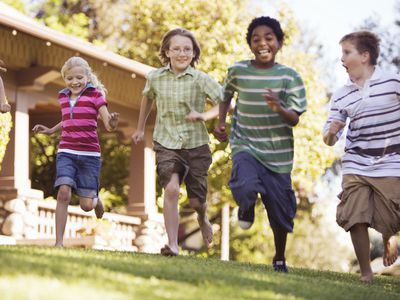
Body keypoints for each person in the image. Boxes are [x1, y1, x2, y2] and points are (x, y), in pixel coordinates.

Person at [214, 16, 307, 272]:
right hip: (245, 143)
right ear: (250, 44)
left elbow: (295, 119)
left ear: (279, 43)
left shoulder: (290, 77)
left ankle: (279, 256)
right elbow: (225, 95)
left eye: (269, 38)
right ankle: (246, 206)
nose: (262, 43)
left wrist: (278, 106)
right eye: (256, 39)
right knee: (243, 184)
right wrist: (221, 122)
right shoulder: (238, 70)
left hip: (279, 157)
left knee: (280, 212)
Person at [132, 28, 222, 256]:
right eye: (177, 49)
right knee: (171, 189)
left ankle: (202, 218)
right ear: (167, 52)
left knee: (196, 201)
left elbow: (225, 103)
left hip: (196, 144)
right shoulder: (155, 77)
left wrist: (204, 116)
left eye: (187, 49)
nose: (182, 53)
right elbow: (147, 99)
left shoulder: (201, 79)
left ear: (194, 53)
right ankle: (173, 244)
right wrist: (141, 128)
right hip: (166, 141)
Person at [323, 31, 400, 283]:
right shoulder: (342, 94)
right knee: (355, 215)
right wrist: (332, 133)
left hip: (390, 162)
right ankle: (366, 272)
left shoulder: (392, 83)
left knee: (392, 217)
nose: (341, 59)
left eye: (346, 52)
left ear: (364, 56)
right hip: (355, 162)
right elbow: (329, 134)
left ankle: (390, 234)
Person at [32, 56, 119, 247]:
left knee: (86, 206)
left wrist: (112, 122)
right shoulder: (63, 96)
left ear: (87, 77)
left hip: (89, 155)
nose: (74, 82)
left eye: (79, 77)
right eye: (69, 78)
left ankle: (95, 201)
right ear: (65, 79)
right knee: (64, 192)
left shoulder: (96, 95)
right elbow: (68, 119)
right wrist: (51, 130)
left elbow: (108, 124)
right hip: (66, 151)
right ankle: (59, 243)